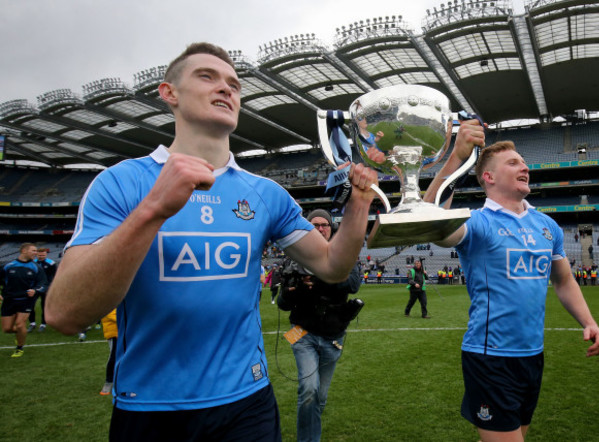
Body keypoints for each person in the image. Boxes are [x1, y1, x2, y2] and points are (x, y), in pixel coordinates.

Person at [45, 42, 377, 442]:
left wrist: (359, 204)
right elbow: (64, 314)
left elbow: (332, 266)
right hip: (150, 405)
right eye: (207, 77)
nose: (226, 89)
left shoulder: (266, 193)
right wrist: (152, 210)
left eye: (234, 84)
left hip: (247, 401)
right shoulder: (121, 183)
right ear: (169, 93)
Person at [423, 121, 599, 442]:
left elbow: (563, 281)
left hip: (532, 355)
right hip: (490, 357)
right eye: (513, 162)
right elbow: (430, 221)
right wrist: (457, 158)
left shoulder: (546, 224)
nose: (524, 166)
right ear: (489, 178)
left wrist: (589, 321)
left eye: (523, 162)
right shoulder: (478, 222)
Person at [277, 209, 362, 442]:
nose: (320, 228)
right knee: (309, 390)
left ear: (331, 228)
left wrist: (323, 274)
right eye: (314, 224)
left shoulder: (344, 253)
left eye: (324, 224)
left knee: (320, 396)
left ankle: (309, 430)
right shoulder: (295, 256)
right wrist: (297, 289)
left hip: (333, 336)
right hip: (301, 334)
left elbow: (353, 284)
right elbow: (283, 303)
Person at [0, 243, 48, 358]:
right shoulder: (8, 266)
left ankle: (19, 348)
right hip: (9, 300)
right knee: (7, 329)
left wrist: (35, 291)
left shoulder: (36, 267)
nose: (35, 253)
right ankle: (21, 334)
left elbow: (43, 284)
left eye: (36, 251)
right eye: (33, 250)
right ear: (24, 251)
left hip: (26, 300)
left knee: (20, 324)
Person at [27, 247, 57, 332]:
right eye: (40, 255)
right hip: (34, 287)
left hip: (46, 288)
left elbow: (55, 275)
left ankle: (43, 324)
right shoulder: (32, 263)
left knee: (44, 306)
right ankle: (32, 323)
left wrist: (51, 286)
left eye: (43, 255)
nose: (41, 256)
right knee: (31, 305)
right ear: (36, 254)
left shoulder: (51, 263)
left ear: (46, 254)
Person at [100, 309, 118, 396]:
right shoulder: (110, 302)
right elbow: (112, 315)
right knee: (113, 357)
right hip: (113, 333)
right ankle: (108, 382)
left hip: (122, 331)